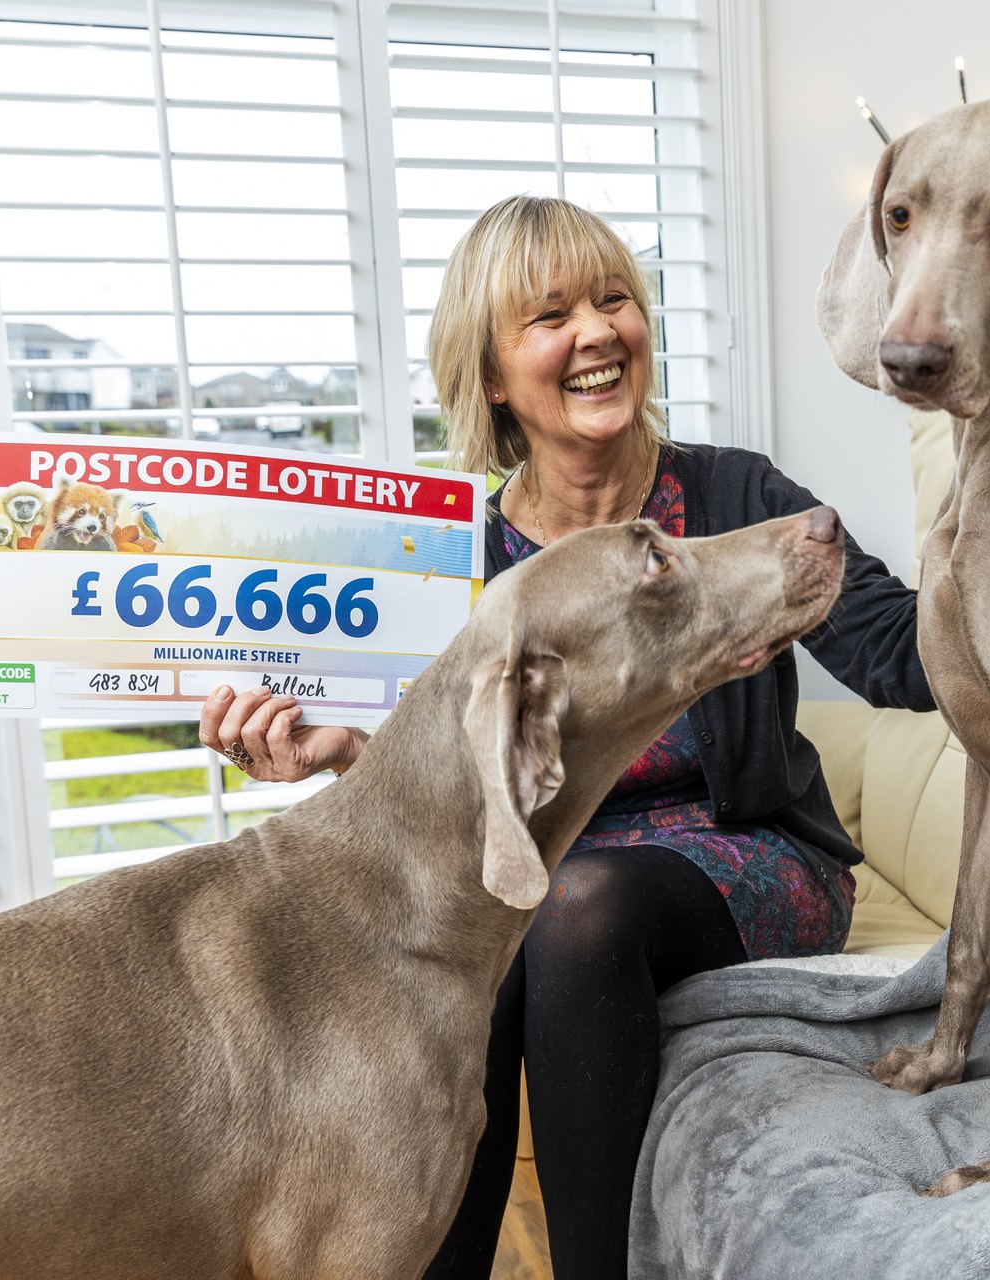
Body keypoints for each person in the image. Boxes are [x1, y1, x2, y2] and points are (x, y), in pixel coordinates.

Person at [198, 195, 932, 1279]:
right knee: (484, 936)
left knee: (569, 908)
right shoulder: (452, 564)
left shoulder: (732, 496)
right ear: (494, 374)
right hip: (531, 877)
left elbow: (901, 655)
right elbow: (438, 775)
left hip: (749, 857)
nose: (596, 331)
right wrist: (332, 753)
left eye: (615, 299)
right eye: (550, 315)